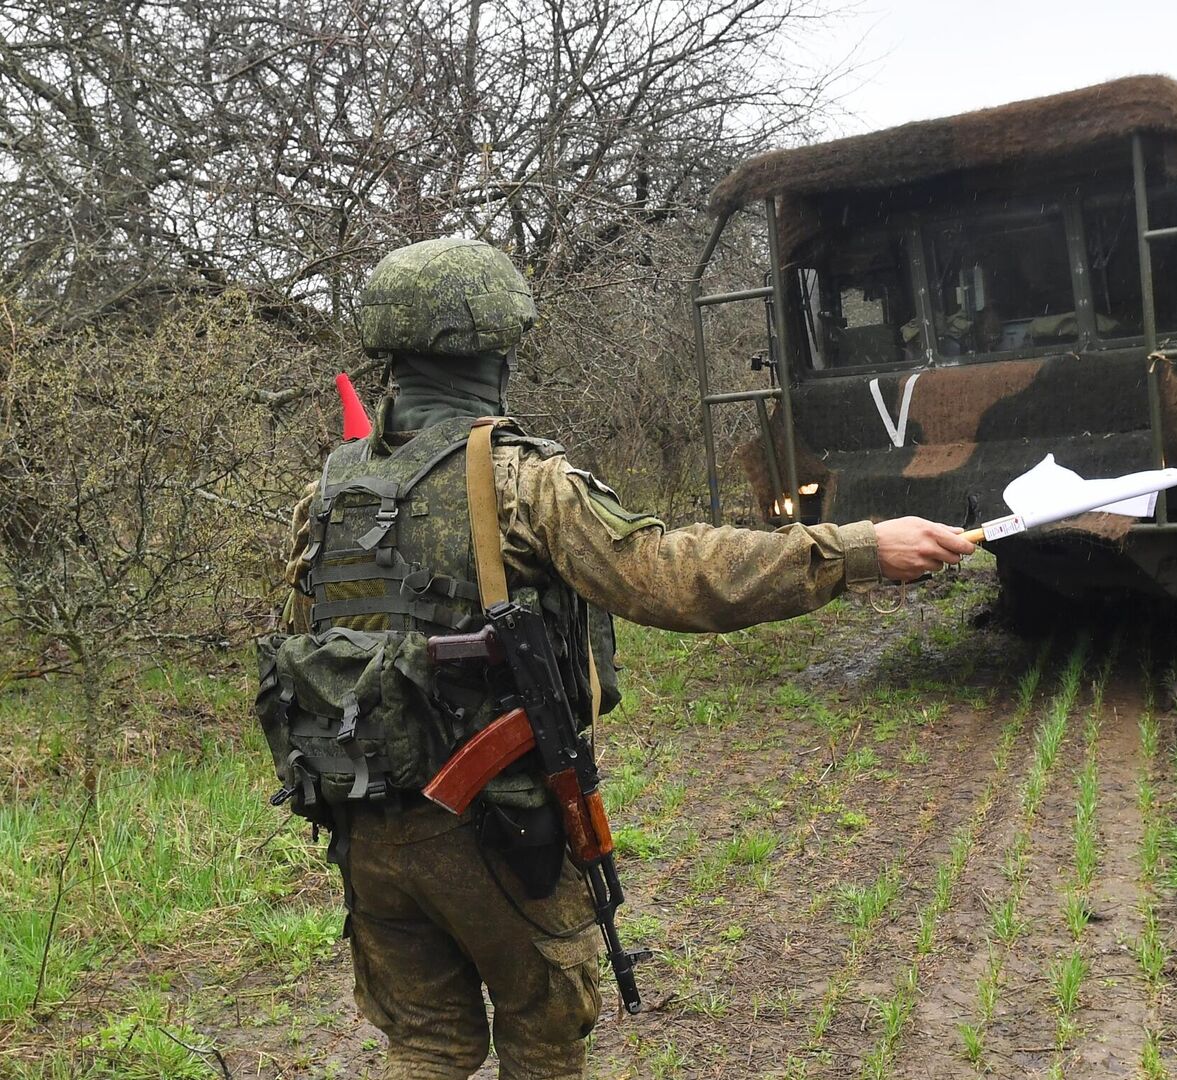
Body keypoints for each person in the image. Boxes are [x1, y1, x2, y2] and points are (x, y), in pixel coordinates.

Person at [258, 237, 973, 1080]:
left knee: (428, 1043)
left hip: (362, 825)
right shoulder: (521, 481)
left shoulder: (329, 492)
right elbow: (675, 576)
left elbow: (311, 641)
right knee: (544, 1034)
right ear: (495, 350)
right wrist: (852, 549)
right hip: (493, 825)